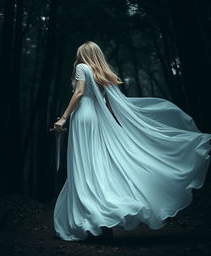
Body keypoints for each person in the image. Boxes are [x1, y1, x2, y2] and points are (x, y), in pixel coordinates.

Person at [52, 41, 211, 241]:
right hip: (97, 119)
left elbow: (79, 92)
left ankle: (95, 219)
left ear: (83, 54)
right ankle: (101, 219)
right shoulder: (102, 73)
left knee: (84, 165)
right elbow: (107, 104)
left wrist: (63, 117)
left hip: (82, 117)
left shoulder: (81, 67)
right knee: (96, 164)